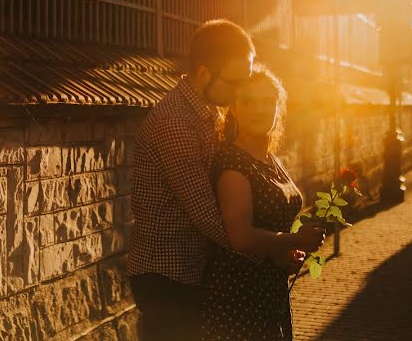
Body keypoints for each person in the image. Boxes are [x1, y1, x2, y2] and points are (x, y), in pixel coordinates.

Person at [127, 20, 323, 340]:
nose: (238, 92)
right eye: (234, 83)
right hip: (168, 273)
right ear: (203, 72)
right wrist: (273, 251)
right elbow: (210, 219)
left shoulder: (208, 110)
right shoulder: (175, 124)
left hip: (196, 268)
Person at [202, 67, 321, 341]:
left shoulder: (269, 159)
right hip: (239, 297)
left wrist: (285, 252)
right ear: (234, 107)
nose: (259, 109)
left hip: (269, 291)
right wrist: (295, 240)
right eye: (249, 102)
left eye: (268, 102)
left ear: (278, 108)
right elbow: (241, 237)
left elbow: (269, 227)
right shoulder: (233, 164)